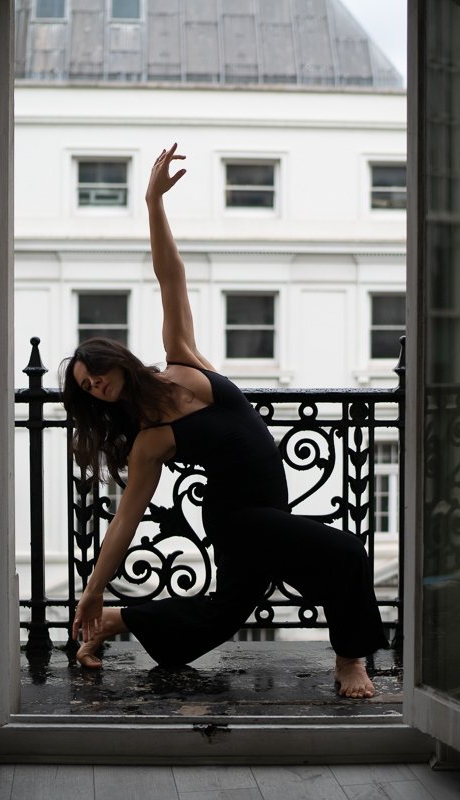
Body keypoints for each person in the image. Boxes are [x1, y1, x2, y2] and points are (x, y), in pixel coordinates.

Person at [63, 143, 387, 698]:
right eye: (86, 388)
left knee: (226, 611)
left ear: (114, 359)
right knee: (345, 554)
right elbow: (124, 522)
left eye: (94, 372)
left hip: (269, 505)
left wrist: (153, 204)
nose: (94, 385)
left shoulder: (182, 365)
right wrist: (92, 587)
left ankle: (118, 622)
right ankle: (350, 661)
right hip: (238, 516)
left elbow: (171, 278)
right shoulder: (149, 442)